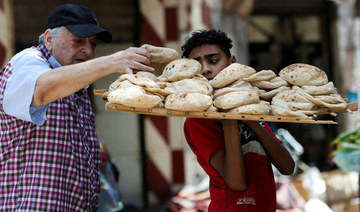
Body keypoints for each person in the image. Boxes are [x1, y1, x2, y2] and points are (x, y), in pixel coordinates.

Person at [0, 4, 153, 211]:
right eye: (77, 41)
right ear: (48, 39)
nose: (88, 51)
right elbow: (41, 89)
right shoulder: (28, 62)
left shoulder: (76, 81)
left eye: (93, 43)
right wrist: (112, 61)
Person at [181, 29, 295, 212]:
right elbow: (237, 183)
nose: (206, 69)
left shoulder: (249, 107)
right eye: (197, 66)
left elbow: (287, 167)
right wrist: (230, 119)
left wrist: (250, 120)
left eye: (213, 60)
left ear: (232, 63)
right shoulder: (199, 120)